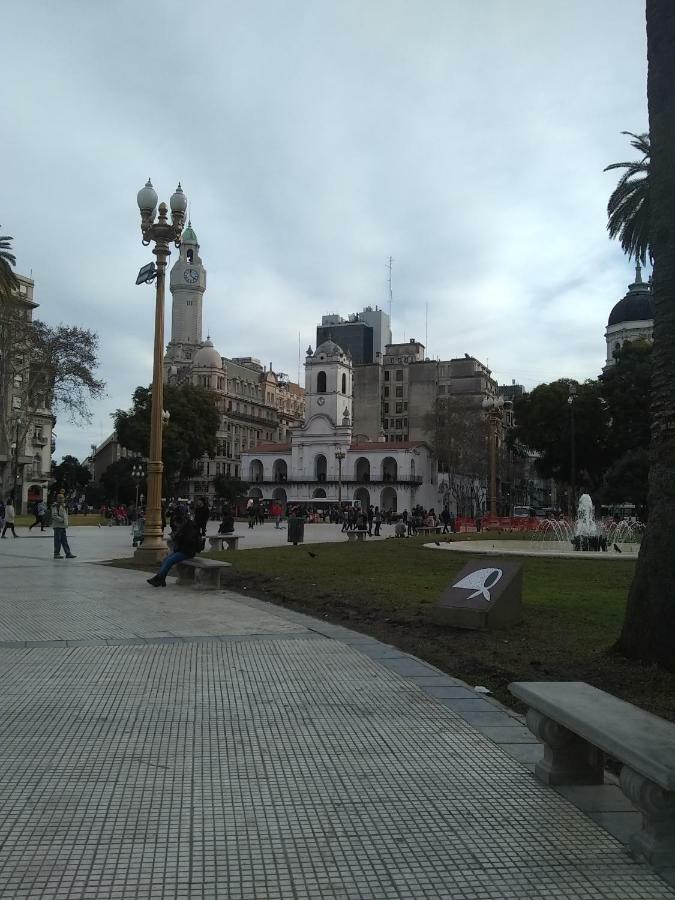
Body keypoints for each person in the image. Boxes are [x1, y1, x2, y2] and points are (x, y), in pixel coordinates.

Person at [147, 515, 202, 587]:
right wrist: (176, 537)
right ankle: (161, 579)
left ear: (181, 523)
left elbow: (188, 542)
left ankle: (159, 578)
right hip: (181, 550)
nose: (177, 527)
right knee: (166, 559)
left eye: (177, 525)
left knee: (169, 561)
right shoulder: (184, 527)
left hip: (187, 552)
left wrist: (177, 537)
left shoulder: (190, 529)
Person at [51, 493, 76, 558]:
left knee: (64, 541)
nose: (62, 499)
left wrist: (65, 522)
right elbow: (54, 516)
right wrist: (62, 520)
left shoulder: (63, 506)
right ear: (57, 498)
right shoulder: (55, 506)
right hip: (57, 526)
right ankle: (56, 554)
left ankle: (68, 553)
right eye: (60, 498)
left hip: (63, 526)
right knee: (57, 541)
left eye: (62, 498)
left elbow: (65, 515)